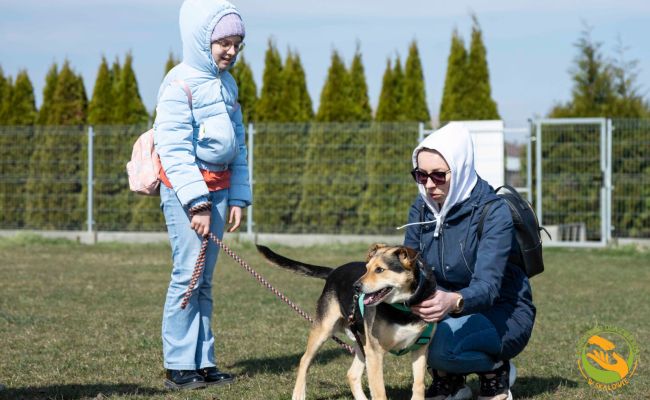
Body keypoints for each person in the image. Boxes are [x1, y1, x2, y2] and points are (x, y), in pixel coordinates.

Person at [153, 0, 251, 391]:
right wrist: (197, 204)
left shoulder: (228, 84)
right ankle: (179, 365)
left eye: (236, 44)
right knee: (187, 277)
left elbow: (238, 142)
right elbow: (174, 150)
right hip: (188, 194)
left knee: (205, 280)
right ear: (200, 39)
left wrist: (238, 196)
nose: (230, 51)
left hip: (222, 189)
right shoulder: (178, 83)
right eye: (223, 42)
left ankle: (204, 361)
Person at [402, 123, 536, 400]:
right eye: (421, 175)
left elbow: (488, 287)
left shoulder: (493, 212)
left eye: (439, 175)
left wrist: (451, 301)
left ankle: (495, 371)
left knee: (440, 348)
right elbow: (409, 269)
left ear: (460, 168)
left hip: (501, 311)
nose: (428, 185)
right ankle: (449, 380)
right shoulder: (421, 207)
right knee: (407, 332)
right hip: (443, 307)